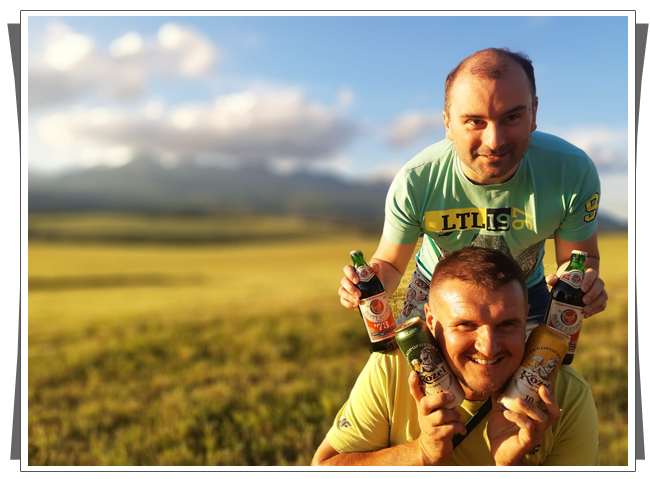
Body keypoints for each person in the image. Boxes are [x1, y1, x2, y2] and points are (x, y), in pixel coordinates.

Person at [338, 47, 607, 335]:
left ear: (533, 113)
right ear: (448, 124)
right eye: (475, 121)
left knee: (543, 366)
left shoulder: (571, 172)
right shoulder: (416, 181)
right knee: (411, 366)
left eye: (511, 118)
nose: (494, 141)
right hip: (434, 289)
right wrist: (368, 286)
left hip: (525, 291)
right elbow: (391, 264)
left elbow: (577, 259)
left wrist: (582, 284)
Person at [314, 247, 599, 466]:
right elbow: (325, 466)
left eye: (506, 324)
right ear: (431, 320)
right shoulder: (393, 368)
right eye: (465, 325)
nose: (488, 347)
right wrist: (421, 452)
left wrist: (509, 466)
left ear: (526, 317)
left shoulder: (565, 394)